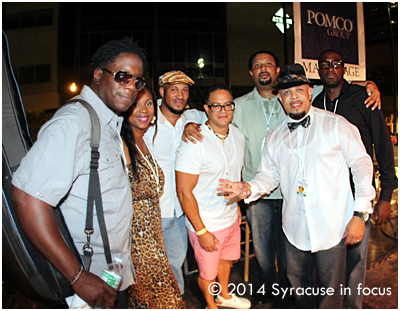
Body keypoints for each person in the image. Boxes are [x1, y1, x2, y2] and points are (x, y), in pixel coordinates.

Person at [182, 50, 381, 305]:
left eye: (298, 90)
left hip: (333, 227)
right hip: (294, 229)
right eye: (287, 92)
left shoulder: (337, 125)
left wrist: (359, 214)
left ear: (310, 92)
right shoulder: (275, 137)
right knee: (299, 286)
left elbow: (362, 165)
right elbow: (268, 176)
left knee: (332, 291)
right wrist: (247, 188)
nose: (293, 97)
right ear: (280, 97)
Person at [10, 37, 147, 308]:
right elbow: (27, 198)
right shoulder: (74, 122)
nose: (131, 87)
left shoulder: (106, 124)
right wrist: (77, 276)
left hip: (110, 275)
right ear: (98, 74)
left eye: (137, 81)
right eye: (122, 77)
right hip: (84, 284)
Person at [313, 49, 398, 309]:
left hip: (358, 196)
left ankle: (353, 306)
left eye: (336, 64)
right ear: (319, 70)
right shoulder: (315, 104)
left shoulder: (365, 99)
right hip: (326, 198)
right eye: (325, 64)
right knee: (328, 261)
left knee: (355, 262)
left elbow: (383, 148)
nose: (330, 68)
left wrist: (385, 197)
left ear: (344, 69)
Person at [175, 84, 251, 309]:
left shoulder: (237, 135)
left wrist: (236, 206)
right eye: (216, 105)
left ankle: (224, 295)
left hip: (230, 216)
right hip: (206, 222)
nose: (223, 110)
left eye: (228, 104)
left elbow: (234, 175)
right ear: (206, 109)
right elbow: (183, 191)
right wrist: (201, 231)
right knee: (207, 273)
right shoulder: (195, 142)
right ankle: (211, 305)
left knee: (227, 260)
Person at [120, 86, 185, 308]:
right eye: (135, 104)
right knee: (148, 300)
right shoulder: (119, 144)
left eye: (148, 103)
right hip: (134, 244)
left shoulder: (146, 139)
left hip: (154, 238)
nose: (143, 109)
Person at [143, 70, 204, 294]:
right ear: (162, 91)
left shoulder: (192, 117)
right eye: (174, 89)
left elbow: (214, 114)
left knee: (175, 264)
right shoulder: (146, 117)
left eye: (185, 90)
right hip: (149, 211)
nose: (180, 95)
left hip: (179, 211)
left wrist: (194, 126)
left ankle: (174, 301)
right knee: (148, 267)